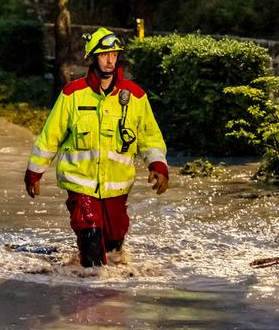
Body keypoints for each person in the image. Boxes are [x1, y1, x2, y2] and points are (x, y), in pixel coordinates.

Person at [23, 27, 169, 268]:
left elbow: (150, 137)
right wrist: (34, 172)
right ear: (92, 58)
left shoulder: (135, 96)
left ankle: (109, 299)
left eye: (114, 54)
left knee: (113, 250)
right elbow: (50, 136)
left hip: (117, 188)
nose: (110, 60)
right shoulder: (73, 94)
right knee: (92, 250)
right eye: (104, 54)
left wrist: (158, 166)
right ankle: (86, 295)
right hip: (81, 186)